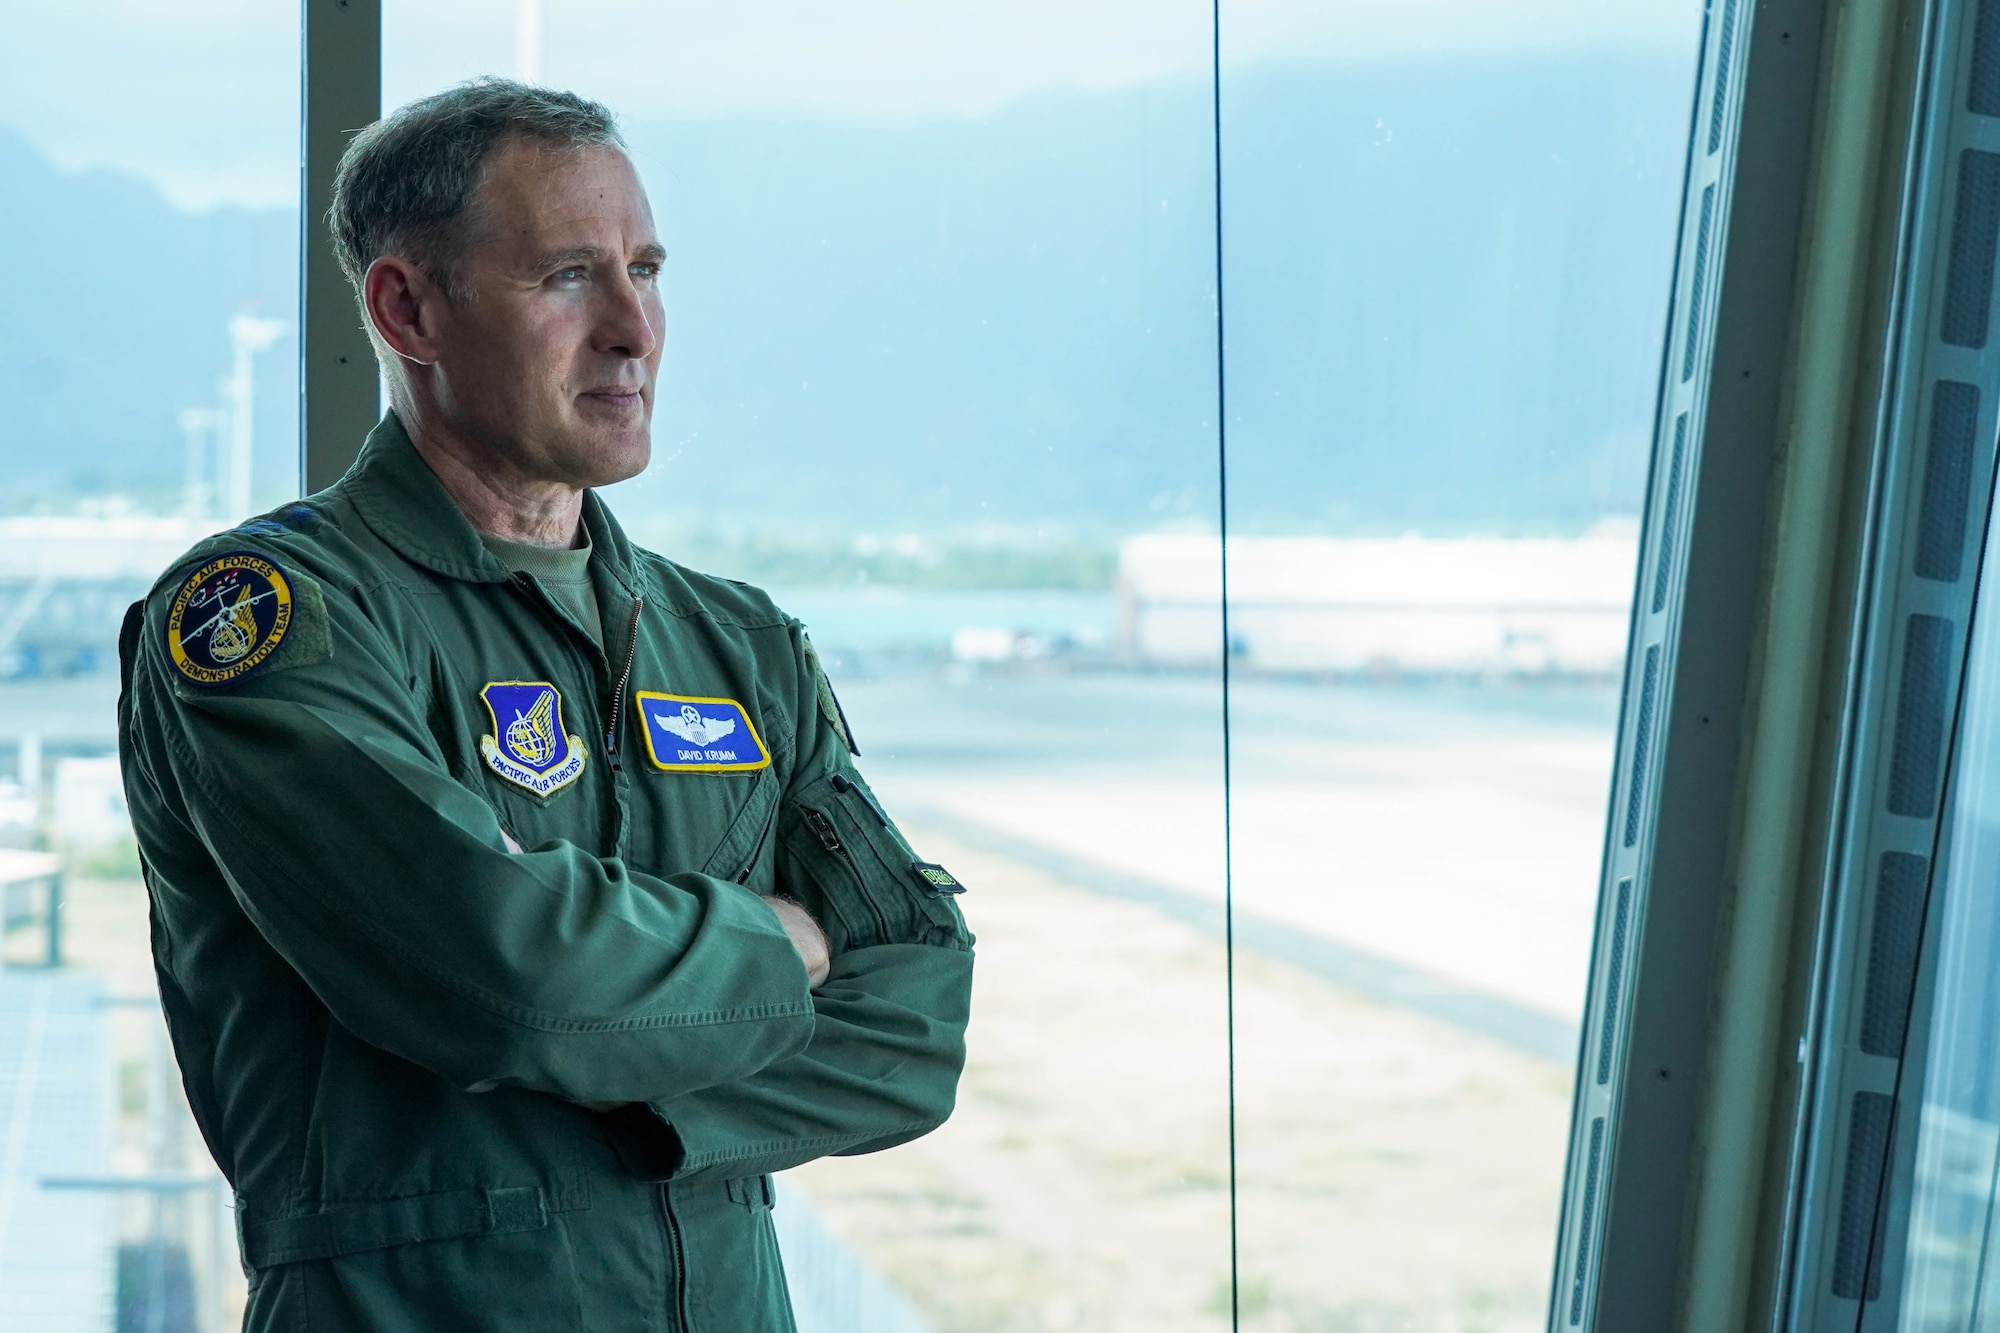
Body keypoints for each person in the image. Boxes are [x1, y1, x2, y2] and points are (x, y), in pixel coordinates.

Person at [117, 79, 973, 1332]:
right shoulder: (268, 619)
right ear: (407, 309)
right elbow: (498, 971)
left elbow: (916, 1016)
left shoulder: (731, 642)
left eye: (646, 268)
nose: (633, 328)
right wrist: (786, 940)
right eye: (568, 276)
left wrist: (626, 1090)